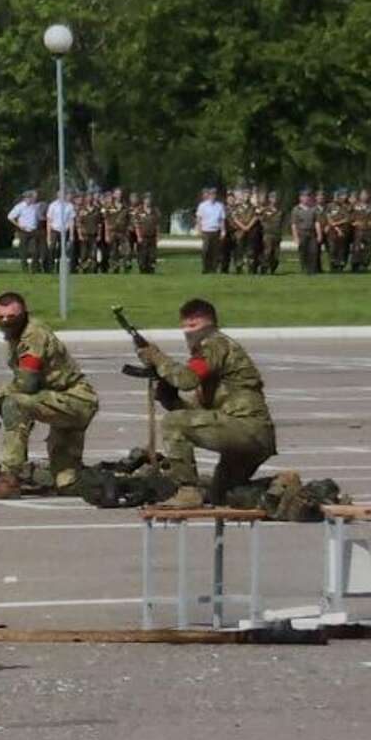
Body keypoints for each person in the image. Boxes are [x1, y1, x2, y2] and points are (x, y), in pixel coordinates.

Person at [134, 298, 275, 509]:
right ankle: (279, 488)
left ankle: (187, 491)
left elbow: (187, 379)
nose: (188, 332)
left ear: (209, 324)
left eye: (194, 325)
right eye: (185, 326)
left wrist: (157, 357)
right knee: (225, 495)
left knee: (173, 423)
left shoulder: (214, 344)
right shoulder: (213, 356)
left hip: (247, 429)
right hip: (250, 436)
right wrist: (171, 399)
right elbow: (202, 417)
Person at [0, 292, 97, 501]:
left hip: (74, 399)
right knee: (67, 483)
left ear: (24, 314)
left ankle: (9, 479)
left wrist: (0, 397)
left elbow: (27, 383)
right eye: (1, 317)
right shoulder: (17, 336)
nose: (6, 321)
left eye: (12, 316)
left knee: (14, 404)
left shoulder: (33, 335)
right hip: (58, 400)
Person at [8, 189, 43, 274]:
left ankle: (34, 268)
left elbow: (39, 218)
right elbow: (10, 217)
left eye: (30, 198)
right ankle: (25, 269)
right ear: (24, 198)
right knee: (23, 251)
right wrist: (19, 225)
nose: (28, 199)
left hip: (33, 230)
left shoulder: (35, 207)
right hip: (23, 231)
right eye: (26, 198)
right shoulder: (19, 207)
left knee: (35, 251)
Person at [194, 187, 225, 274]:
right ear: (209, 195)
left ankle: (213, 268)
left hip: (216, 230)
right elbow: (199, 218)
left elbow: (221, 219)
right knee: (205, 250)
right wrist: (199, 229)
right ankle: (205, 267)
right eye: (211, 194)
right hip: (206, 230)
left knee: (215, 251)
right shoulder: (202, 205)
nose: (213, 196)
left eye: (214, 194)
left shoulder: (220, 206)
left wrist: (223, 231)